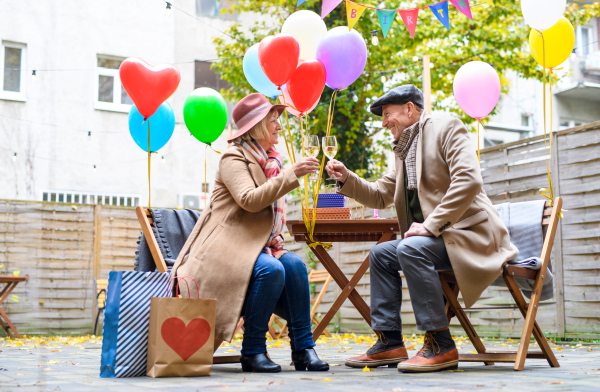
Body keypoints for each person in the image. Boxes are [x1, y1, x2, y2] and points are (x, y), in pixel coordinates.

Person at [326, 85, 518, 373]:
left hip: (470, 237)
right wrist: (347, 178)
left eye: (388, 114)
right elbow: (380, 194)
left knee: (409, 247)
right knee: (381, 254)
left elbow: (469, 180)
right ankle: (389, 341)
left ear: (409, 109)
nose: (383, 122)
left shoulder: (447, 128)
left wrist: (430, 225)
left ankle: (441, 344)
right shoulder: (404, 150)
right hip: (438, 241)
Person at [171, 93, 329, 373]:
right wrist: (290, 175)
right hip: (226, 248)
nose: (279, 126)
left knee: (294, 266)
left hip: (256, 246)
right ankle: (253, 350)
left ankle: (303, 349)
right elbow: (249, 200)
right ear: (257, 126)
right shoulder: (233, 158)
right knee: (271, 269)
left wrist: (286, 174)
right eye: (273, 120)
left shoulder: (271, 161)